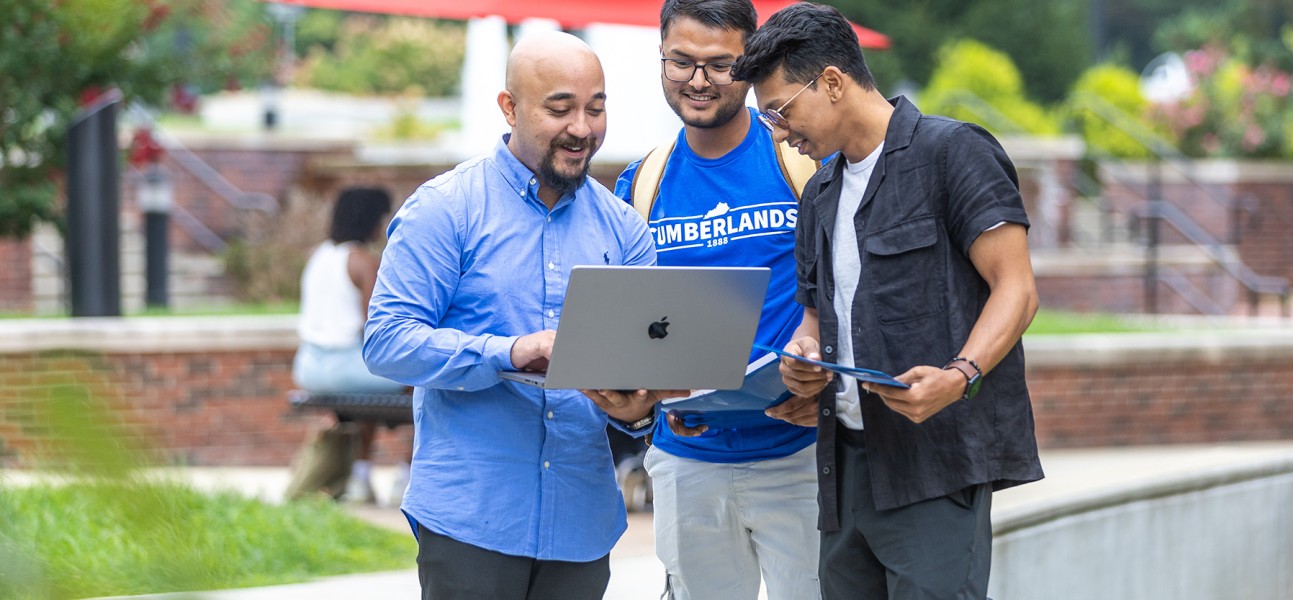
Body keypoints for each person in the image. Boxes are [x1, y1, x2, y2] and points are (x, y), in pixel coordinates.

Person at [734, 4, 1046, 599]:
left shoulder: (952, 153)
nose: (777, 130)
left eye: (779, 110)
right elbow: (816, 318)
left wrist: (960, 375)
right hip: (844, 468)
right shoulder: (819, 192)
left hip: (934, 466)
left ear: (831, 81)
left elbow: (1018, 288)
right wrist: (803, 359)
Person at [363, 31, 670, 600]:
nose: (582, 127)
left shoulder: (624, 228)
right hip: (472, 518)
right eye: (561, 108)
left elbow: (642, 365)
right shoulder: (444, 209)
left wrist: (639, 407)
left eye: (596, 108)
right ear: (509, 107)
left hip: (581, 523)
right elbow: (386, 341)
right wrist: (507, 351)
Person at [610, 1, 822, 598]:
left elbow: (846, 287)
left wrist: (826, 376)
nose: (698, 81)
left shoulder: (798, 160)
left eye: (719, 64)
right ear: (661, 59)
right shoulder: (641, 182)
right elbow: (633, 318)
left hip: (796, 454)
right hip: (687, 457)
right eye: (681, 61)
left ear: (751, 63)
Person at [292, 186, 404, 504]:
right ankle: (405, 477)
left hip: (309, 367)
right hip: (346, 369)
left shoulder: (317, 255)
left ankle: (360, 478)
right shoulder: (363, 261)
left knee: (367, 394)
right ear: (372, 219)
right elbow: (378, 326)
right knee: (423, 376)